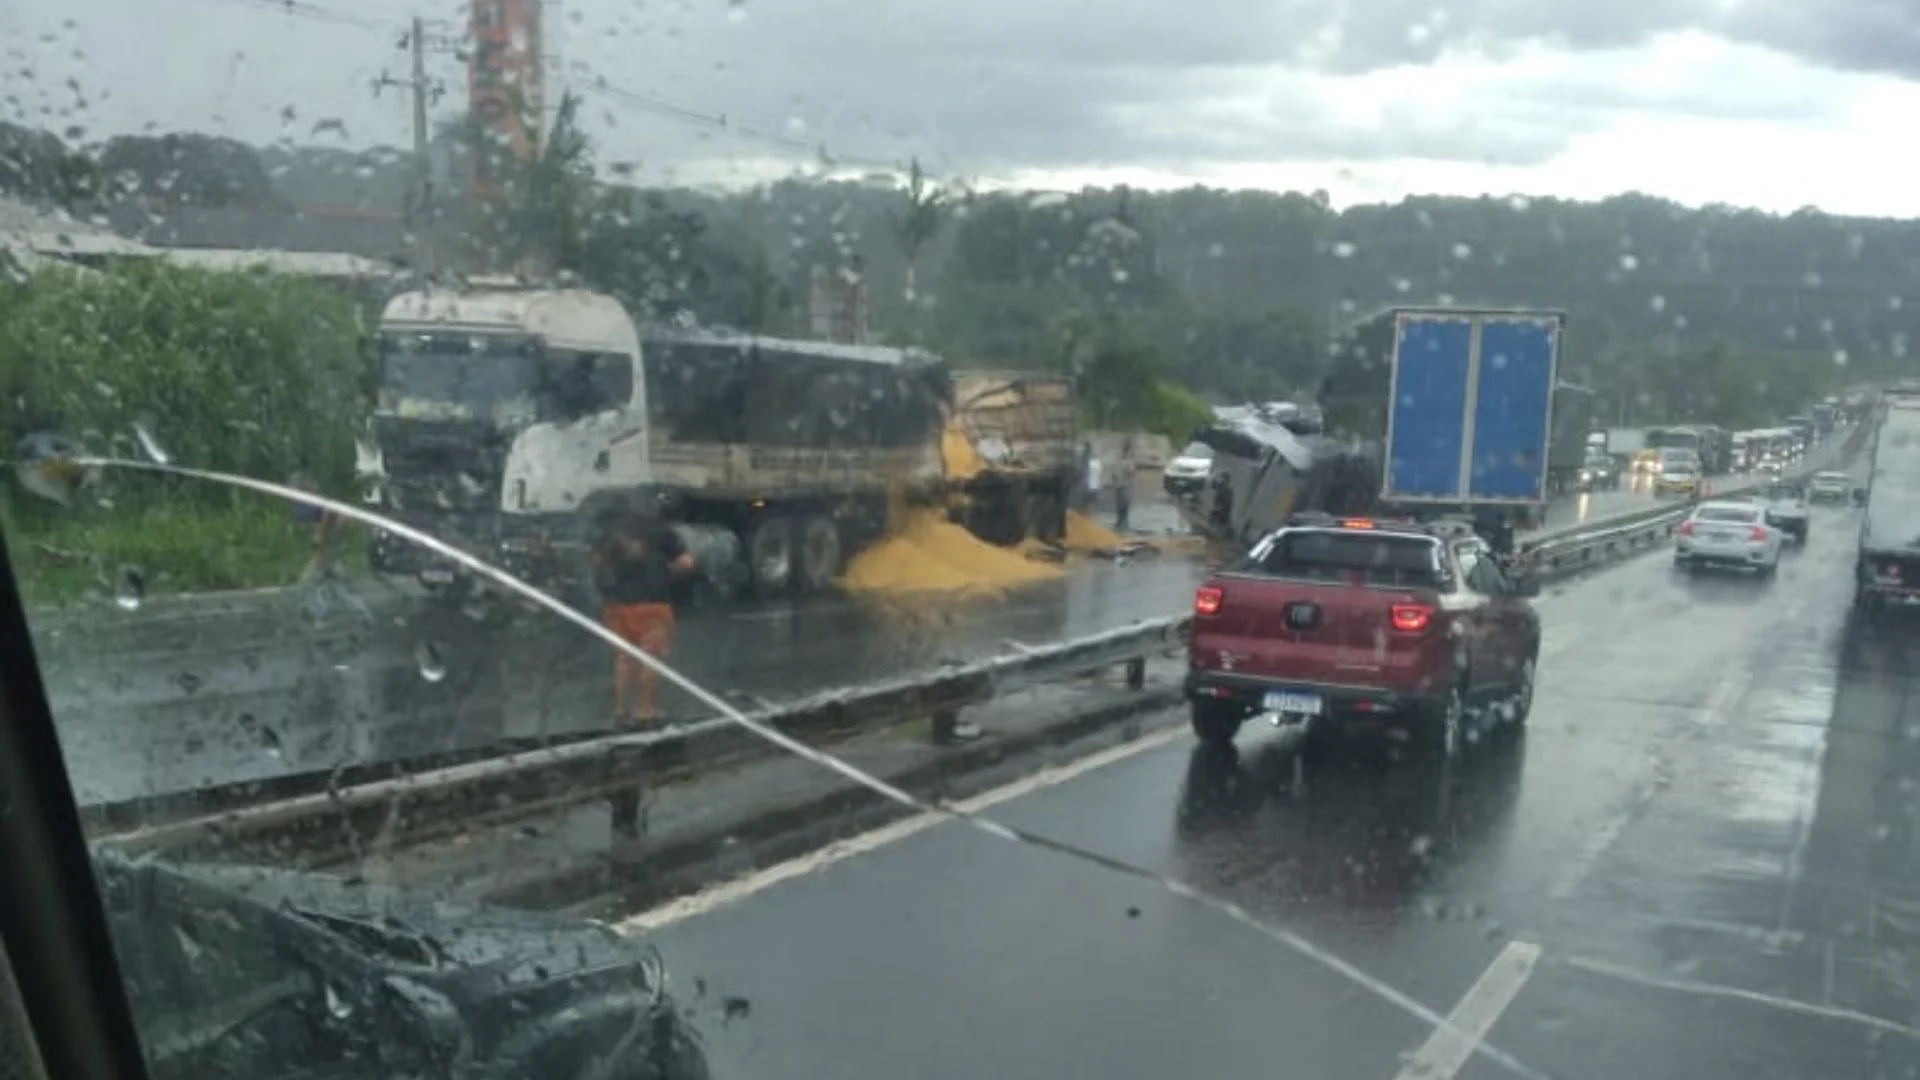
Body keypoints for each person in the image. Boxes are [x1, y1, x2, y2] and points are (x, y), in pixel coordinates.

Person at [588, 507, 696, 729]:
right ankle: (646, 711)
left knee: (624, 658)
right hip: (652, 604)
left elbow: (597, 562)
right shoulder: (661, 532)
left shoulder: (611, 531)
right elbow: (686, 563)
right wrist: (668, 572)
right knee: (650, 658)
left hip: (617, 606)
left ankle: (621, 711)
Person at [1111, 439, 1136, 532]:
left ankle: (1123, 523)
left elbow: (1131, 472)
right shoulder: (1122, 460)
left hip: (1124, 485)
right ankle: (1120, 523)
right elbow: (1115, 473)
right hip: (1121, 485)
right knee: (1120, 505)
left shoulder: (1127, 461)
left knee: (1124, 505)